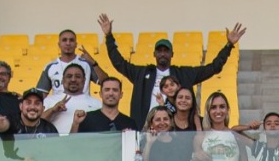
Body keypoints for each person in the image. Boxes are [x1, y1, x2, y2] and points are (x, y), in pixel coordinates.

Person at [97, 13, 242, 120]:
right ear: (154, 54)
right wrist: (109, 36)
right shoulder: (141, 73)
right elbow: (119, 63)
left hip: (175, 132)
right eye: (159, 51)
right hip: (145, 131)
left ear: (172, 54)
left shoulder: (184, 74)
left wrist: (229, 45)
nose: (162, 54)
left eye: (166, 51)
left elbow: (213, 68)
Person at [37, 62, 102, 136]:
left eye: (78, 76)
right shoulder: (49, 101)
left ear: (84, 80)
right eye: (69, 76)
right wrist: (52, 110)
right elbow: (35, 124)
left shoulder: (97, 104)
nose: (73, 79)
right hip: (55, 143)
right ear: (62, 80)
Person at [36, 28, 100, 94]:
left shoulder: (86, 64)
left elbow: (104, 82)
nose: (68, 43)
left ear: (76, 44)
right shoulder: (50, 67)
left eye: (71, 40)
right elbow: (41, 94)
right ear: (59, 44)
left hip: (82, 100)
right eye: (64, 40)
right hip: (59, 101)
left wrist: (93, 62)